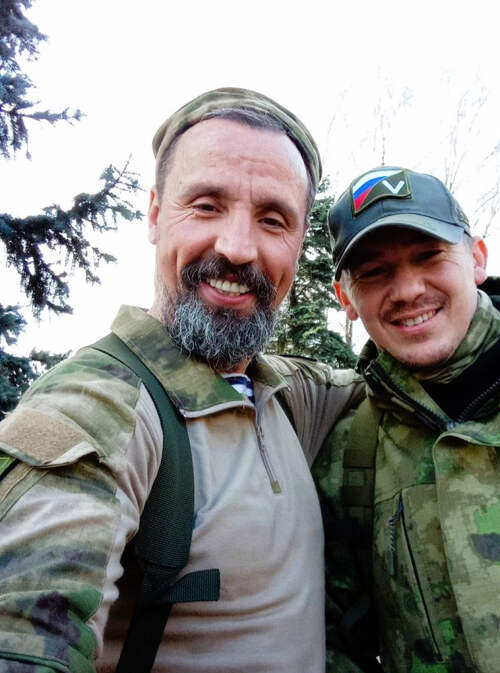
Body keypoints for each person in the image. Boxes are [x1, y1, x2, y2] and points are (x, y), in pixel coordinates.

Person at [0, 88, 365, 673]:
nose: (237, 248)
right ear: (154, 214)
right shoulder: (102, 405)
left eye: (273, 220)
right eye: (206, 206)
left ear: (299, 245)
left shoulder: (290, 395)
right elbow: (24, 629)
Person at [314, 166, 500, 673]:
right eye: (374, 272)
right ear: (345, 298)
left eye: (429, 256)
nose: (408, 289)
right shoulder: (346, 459)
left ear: (476, 258)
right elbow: (328, 640)